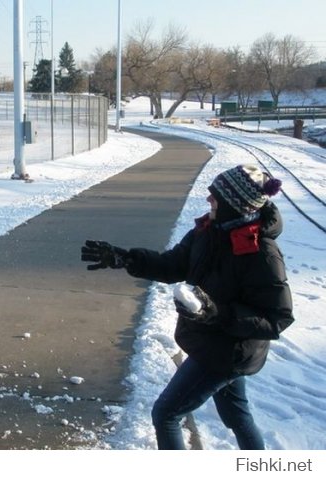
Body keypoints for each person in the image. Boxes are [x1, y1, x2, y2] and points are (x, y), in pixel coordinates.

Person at [81, 164, 294, 449]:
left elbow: (276, 318)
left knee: (166, 414)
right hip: (211, 343)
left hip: (225, 353)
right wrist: (127, 258)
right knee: (235, 416)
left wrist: (216, 313)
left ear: (235, 204)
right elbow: (173, 265)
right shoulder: (210, 230)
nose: (209, 201)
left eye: (215, 197)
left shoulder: (261, 253)